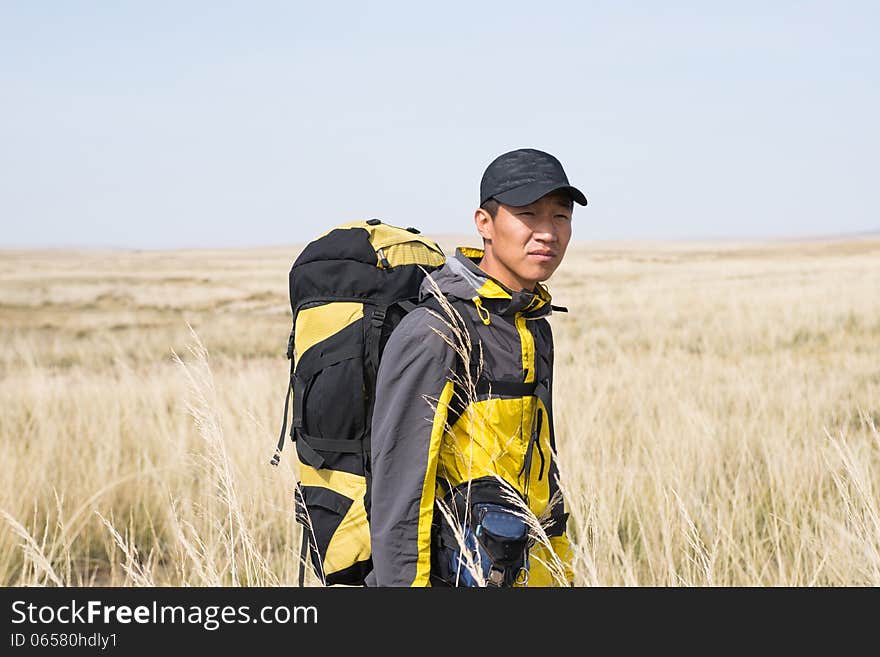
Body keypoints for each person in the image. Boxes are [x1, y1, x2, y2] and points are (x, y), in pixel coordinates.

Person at [365, 148, 587, 587]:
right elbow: (400, 493)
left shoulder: (532, 325)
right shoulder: (437, 330)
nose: (547, 232)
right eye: (528, 214)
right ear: (484, 223)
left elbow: (542, 467)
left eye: (560, 217)